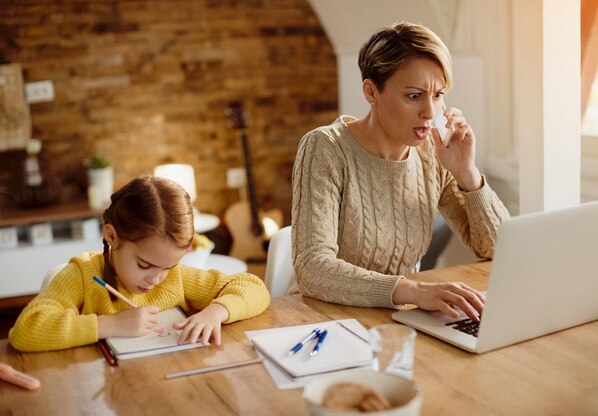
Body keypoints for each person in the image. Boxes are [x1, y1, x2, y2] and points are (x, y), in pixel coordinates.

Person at [291, 22, 510, 321]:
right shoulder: (325, 148)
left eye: (438, 95)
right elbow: (313, 268)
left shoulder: (432, 155)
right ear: (371, 91)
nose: (430, 113)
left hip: (395, 319)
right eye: (414, 96)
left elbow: (499, 249)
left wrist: (466, 172)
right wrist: (413, 290)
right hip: (321, 321)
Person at [9, 175, 270, 352]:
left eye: (166, 267)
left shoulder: (174, 276)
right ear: (111, 236)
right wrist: (109, 325)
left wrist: (217, 311)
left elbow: (253, 287)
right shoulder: (81, 276)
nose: (157, 279)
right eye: (145, 266)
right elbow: (26, 330)